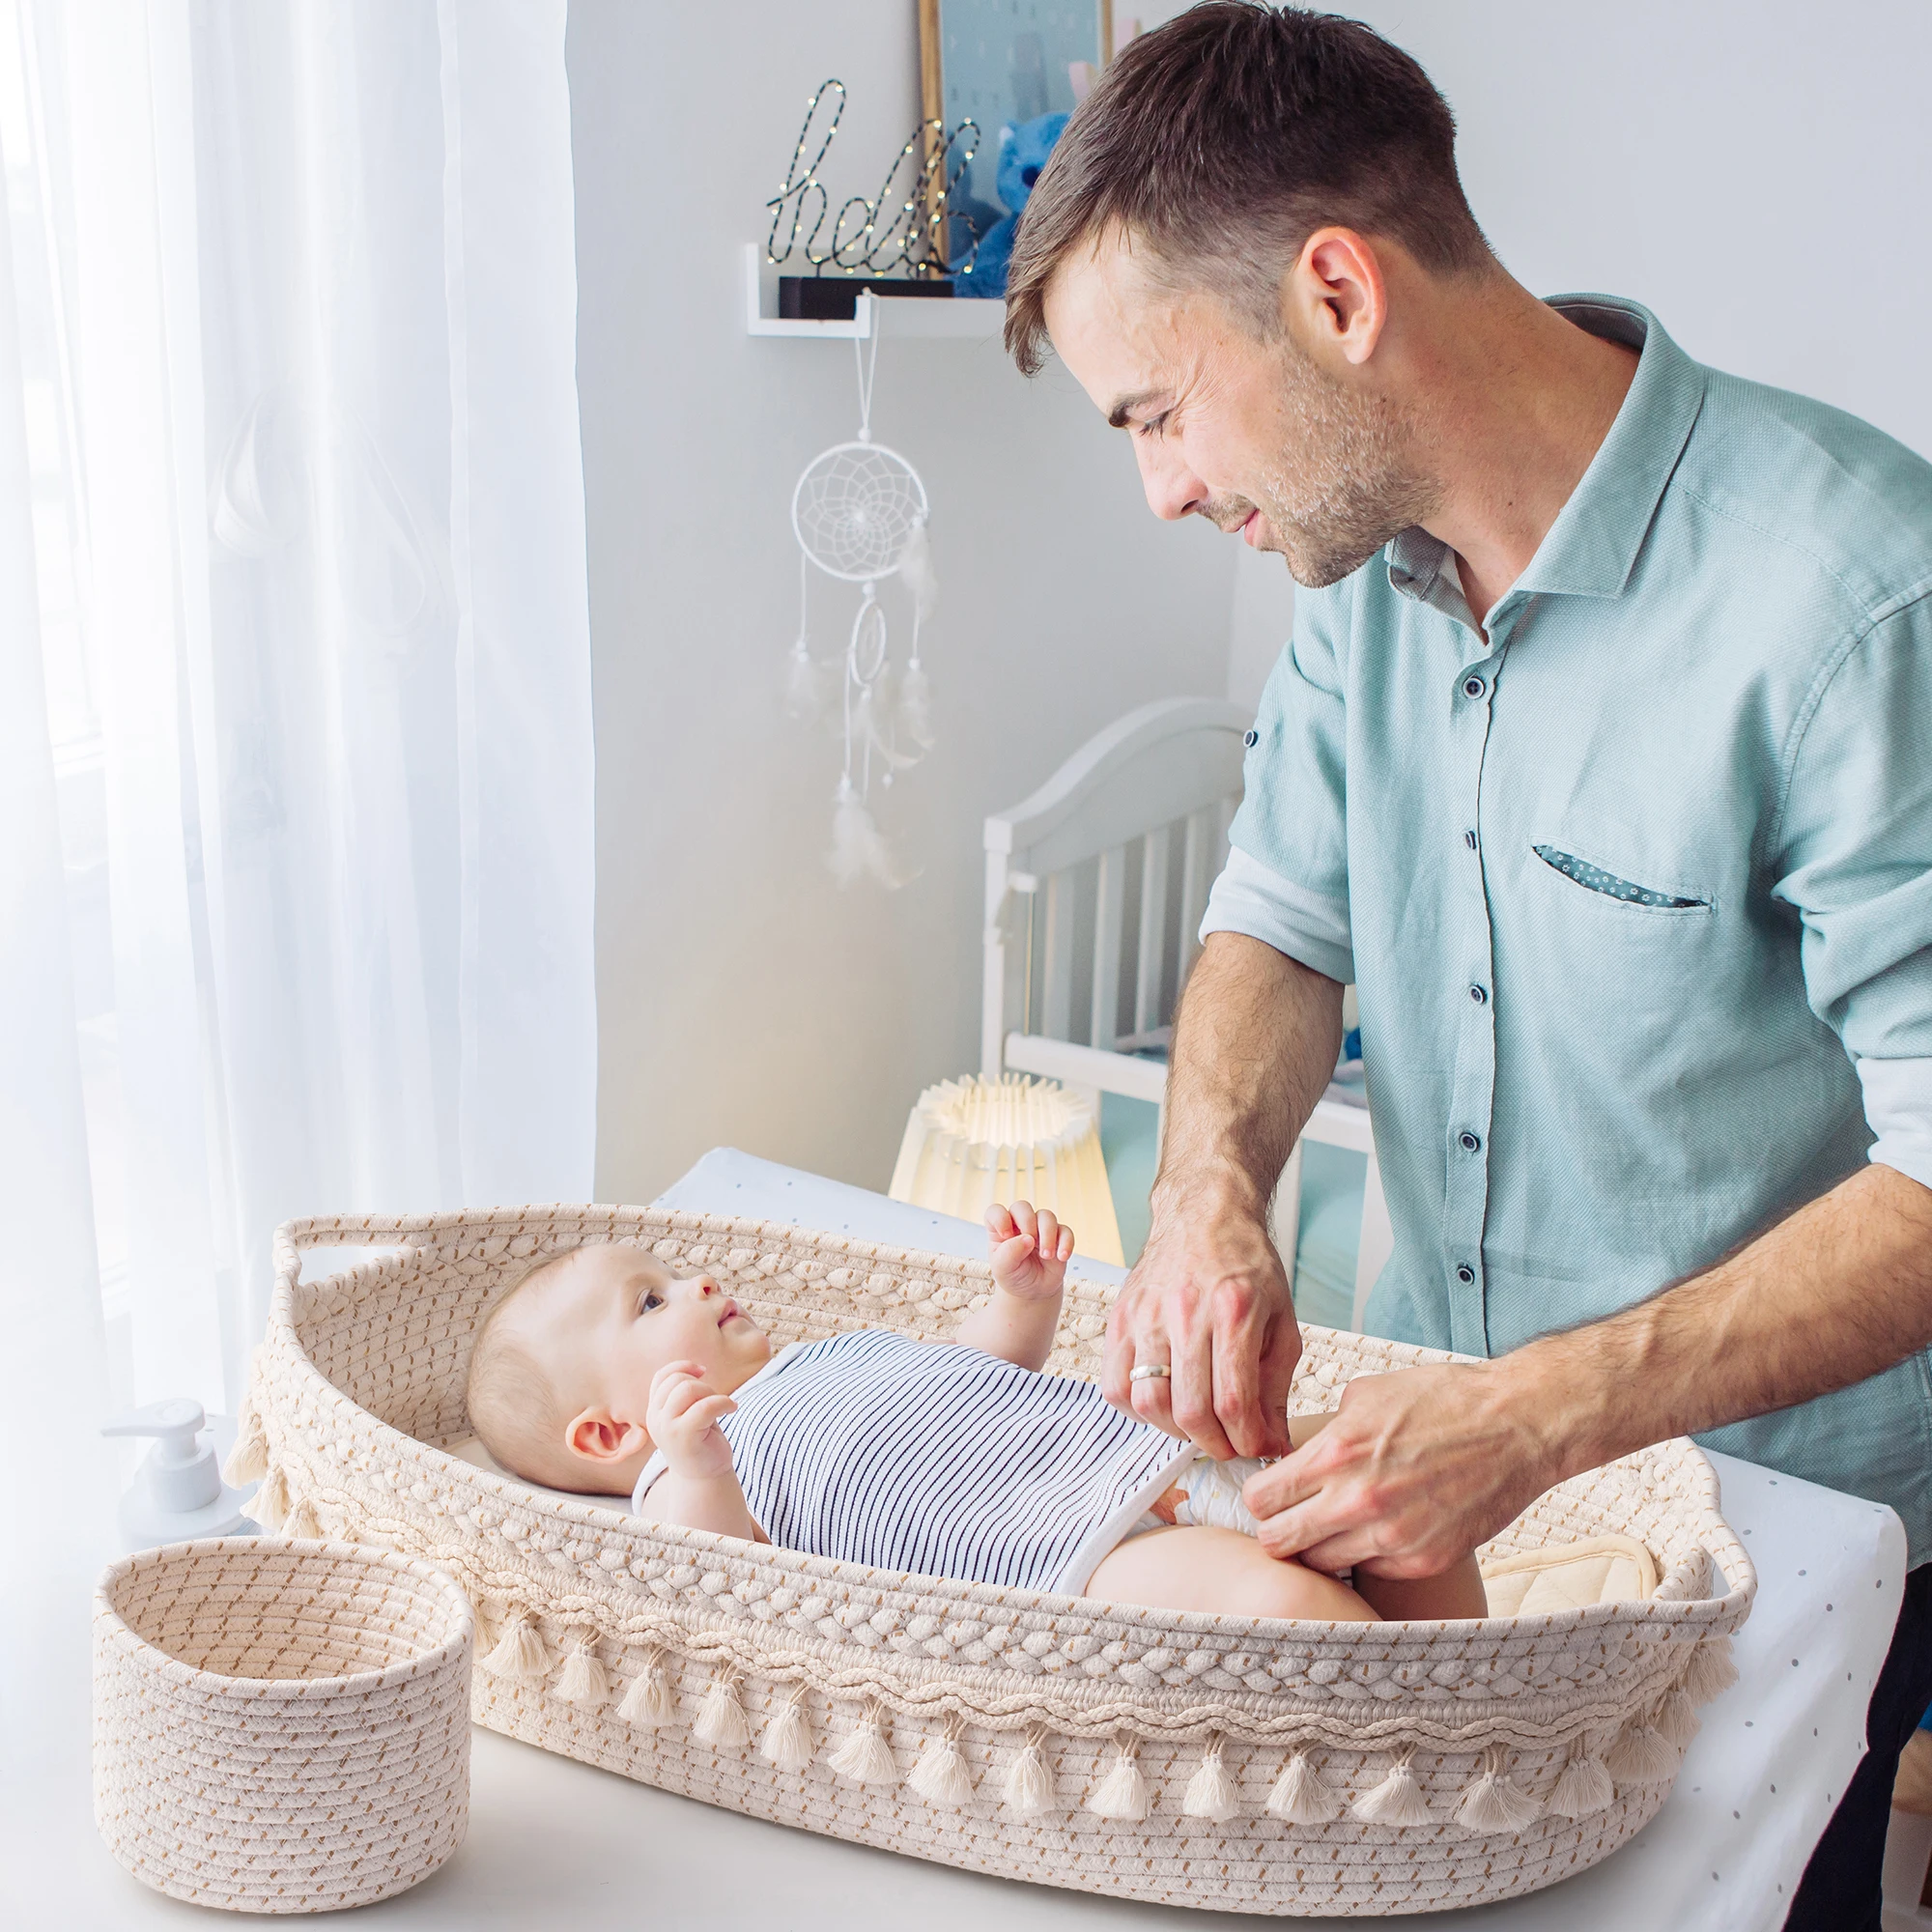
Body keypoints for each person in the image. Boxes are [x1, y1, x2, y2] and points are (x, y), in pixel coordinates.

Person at [1000, 5, 1932, 1924]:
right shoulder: (1356, 580)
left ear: (1334, 291)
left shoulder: (1856, 600)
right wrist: (1205, 1192)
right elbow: (1277, 916)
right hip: (1439, 1490)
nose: (1159, 493)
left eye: (1155, 413)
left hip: (1787, 1523)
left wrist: (1535, 1415)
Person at [464, 1208, 1485, 1623]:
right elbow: (725, 1579)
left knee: (1399, 1456)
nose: (695, 1281)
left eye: (671, 1272)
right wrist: (698, 1468)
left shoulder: (827, 1355)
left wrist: (1022, 1298)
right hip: (1080, 1552)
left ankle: (1461, 1673)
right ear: (609, 1431)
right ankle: (1398, 1721)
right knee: (1280, 1610)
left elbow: (971, 1372)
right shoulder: (682, 1474)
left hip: (1155, 1451)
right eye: (651, 1300)